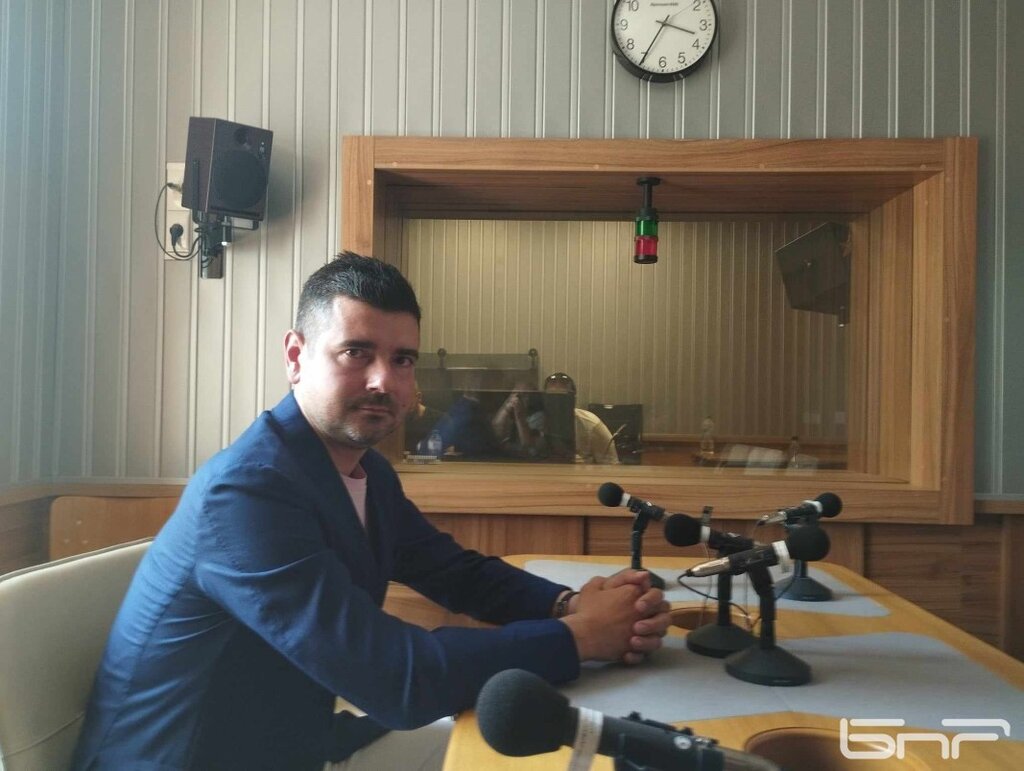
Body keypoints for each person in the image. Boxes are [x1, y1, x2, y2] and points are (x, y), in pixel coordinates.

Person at [72, 253, 670, 771]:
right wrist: (580, 636)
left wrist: (568, 604)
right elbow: (395, 677)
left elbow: (455, 572)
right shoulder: (247, 492)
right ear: (295, 356)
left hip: (292, 740)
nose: (384, 379)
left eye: (402, 359)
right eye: (356, 352)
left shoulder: (365, 472)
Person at [403, 383, 444, 454]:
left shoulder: (440, 420)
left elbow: (450, 453)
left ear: (419, 397)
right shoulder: (394, 422)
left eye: (406, 398)